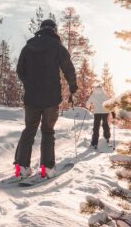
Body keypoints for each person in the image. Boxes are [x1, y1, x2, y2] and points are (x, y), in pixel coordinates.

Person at [14, 19, 77, 179]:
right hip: (51, 99)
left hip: (31, 98)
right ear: (54, 30)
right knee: (47, 132)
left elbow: (20, 70)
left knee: (29, 130)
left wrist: (29, 83)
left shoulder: (28, 47)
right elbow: (68, 68)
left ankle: (21, 167)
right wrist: (72, 86)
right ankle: (46, 169)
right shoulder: (57, 47)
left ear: (41, 29)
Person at [87, 85, 114, 149]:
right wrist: (112, 111)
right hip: (105, 112)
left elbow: (87, 103)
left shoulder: (93, 95)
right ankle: (107, 137)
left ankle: (94, 143)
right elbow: (110, 103)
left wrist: (88, 106)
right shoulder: (105, 95)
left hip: (97, 112)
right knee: (105, 124)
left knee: (96, 127)